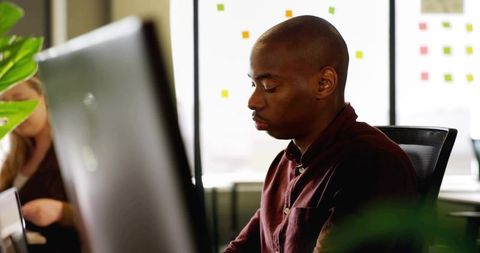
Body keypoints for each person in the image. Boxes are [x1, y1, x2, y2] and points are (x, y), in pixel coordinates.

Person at [223, 15, 417, 253]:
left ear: (324, 83)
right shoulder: (284, 164)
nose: (252, 102)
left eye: (269, 87)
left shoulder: (369, 163)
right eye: (253, 85)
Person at [0, 75, 81, 253]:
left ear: (46, 97)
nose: (13, 111)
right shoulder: (15, 158)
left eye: (20, 100)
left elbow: (114, 217)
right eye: (4, 103)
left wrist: (61, 211)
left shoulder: (75, 151)